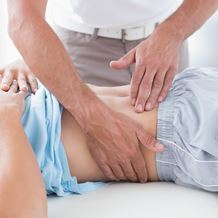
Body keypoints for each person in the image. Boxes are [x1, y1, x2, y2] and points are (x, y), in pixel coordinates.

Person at [3, 0, 218, 183]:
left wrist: (174, 32)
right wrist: (91, 116)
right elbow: (22, 18)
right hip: (83, 44)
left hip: (172, 47)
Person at [1, 67, 218, 217]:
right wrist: (8, 114)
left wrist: (19, 68)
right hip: (188, 136)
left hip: (190, 84)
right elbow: (24, 213)